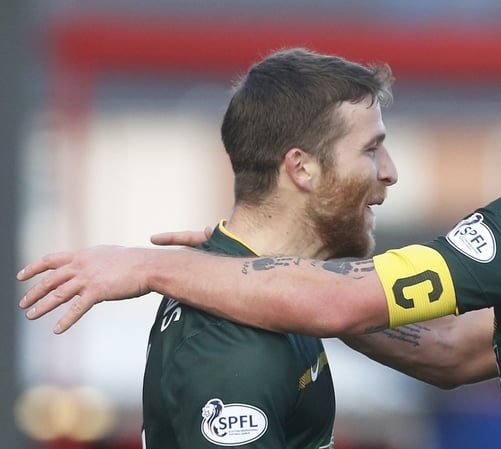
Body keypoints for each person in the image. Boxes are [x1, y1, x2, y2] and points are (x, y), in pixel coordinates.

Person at [19, 18, 501, 448]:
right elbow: (454, 350)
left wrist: (153, 267)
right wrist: (254, 274)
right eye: (372, 148)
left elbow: (339, 304)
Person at [97, 47, 405, 448]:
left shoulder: (273, 293)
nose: (390, 172)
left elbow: (452, 350)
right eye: (370, 149)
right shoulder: (235, 341)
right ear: (301, 168)